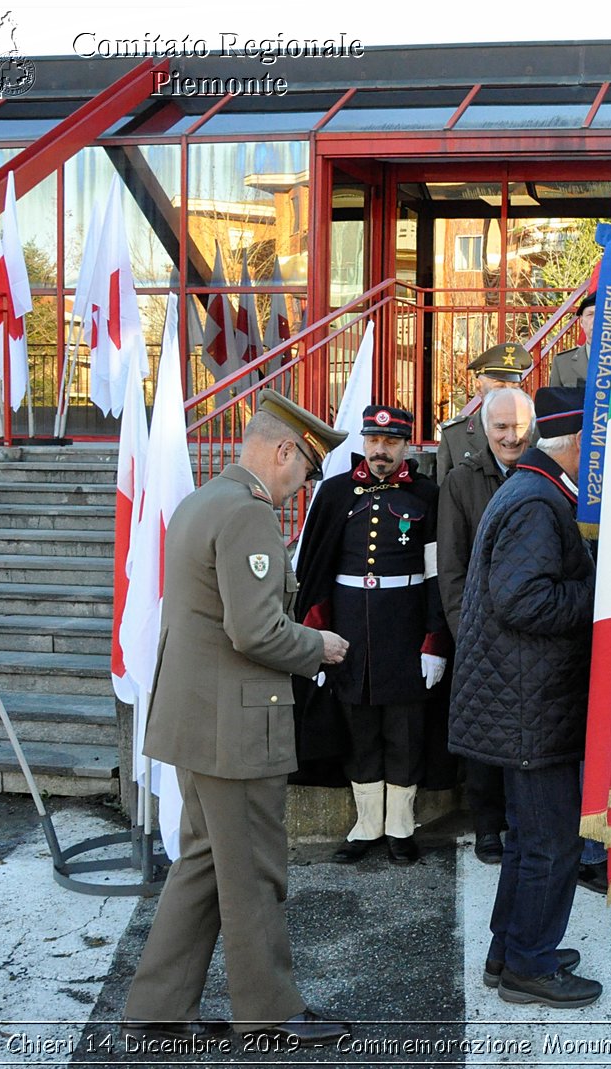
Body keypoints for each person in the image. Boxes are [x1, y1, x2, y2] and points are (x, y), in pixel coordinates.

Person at [123, 390, 351, 1045]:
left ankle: (157, 1009)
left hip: (198, 723)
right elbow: (254, 631)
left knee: (201, 864)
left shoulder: (202, 501)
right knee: (253, 869)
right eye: (305, 471)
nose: (303, 487)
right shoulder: (247, 514)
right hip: (236, 727)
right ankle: (270, 1012)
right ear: (282, 451)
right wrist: (319, 646)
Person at [448, 387, 602, 1009]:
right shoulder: (538, 501)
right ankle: (529, 966)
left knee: (531, 836)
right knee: (550, 841)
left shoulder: (534, 488)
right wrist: (600, 599)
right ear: (572, 445)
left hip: (523, 699)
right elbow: (525, 600)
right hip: (528, 704)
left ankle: (510, 950)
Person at [292, 405, 449, 867]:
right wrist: (316, 636)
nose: (381, 451)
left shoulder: (426, 495)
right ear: (363, 441)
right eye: (374, 441)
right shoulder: (337, 491)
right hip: (349, 634)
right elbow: (316, 570)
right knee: (359, 728)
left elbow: (438, 573)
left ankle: (400, 825)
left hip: (404, 632)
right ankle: (366, 825)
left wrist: (435, 640)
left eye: (392, 442)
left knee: (403, 730)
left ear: (406, 445)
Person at [437, 387, 535, 864]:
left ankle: (522, 822)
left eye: (519, 426)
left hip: (534, 635)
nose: (511, 437)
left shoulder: (547, 476)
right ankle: (487, 827)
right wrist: (465, 632)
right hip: (477, 635)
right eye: (501, 426)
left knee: (527, 736)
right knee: (482, 739)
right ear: (483, 428)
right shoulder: (461, 481)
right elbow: (451, 569)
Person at [437, 342, 535, 480]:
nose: (508, 394)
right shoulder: (454, 435)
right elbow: (446, 493)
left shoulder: (534, 432)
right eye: (500, 386)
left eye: (514, 387)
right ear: (478, 388)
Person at [548, 296, 598, 388]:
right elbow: (554, 401)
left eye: (601, 314)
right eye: (590, 314)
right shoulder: (562, 363)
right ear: (581, 322)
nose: (596, 320)